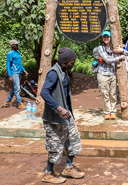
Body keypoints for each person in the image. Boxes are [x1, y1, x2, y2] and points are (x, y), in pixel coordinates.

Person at [40, 47, 84, 184]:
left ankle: (68, 168)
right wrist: (59, 108)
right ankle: (48, 173)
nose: (73, 64)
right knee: (55, 145)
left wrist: (67, 111)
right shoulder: (53, 73)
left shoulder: (64, 71)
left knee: (73, 141)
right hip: (55, 118)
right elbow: (44, 92)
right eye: (72, 62)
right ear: (64, 62)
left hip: (66, 116)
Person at [97, 30, 126, 120]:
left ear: (110, 38)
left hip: (112, 75)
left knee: (113, 94)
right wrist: (120, 57)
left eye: (107, 37)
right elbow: (108, 60)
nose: (106, 38)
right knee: (105, 94)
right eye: (104, 37)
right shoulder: (100, 48)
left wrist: (122, 50)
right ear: (102, 38)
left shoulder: (115, 47)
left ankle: (113, 112)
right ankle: (107, 112)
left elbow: (127, 53)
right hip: (103, 74)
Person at [3, 40, 28, 109]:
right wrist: (10, 75)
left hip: (19, 72)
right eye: (16, 44)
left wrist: (24, 70)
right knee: (17, 89)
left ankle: (7, 101)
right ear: (12, 45)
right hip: (14, 73)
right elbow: (8, 65)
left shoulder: (17, 52)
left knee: (14, 88)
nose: (17, 45)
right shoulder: (10, 54)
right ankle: (19, 103)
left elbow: (19, 63)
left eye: (17, 44)